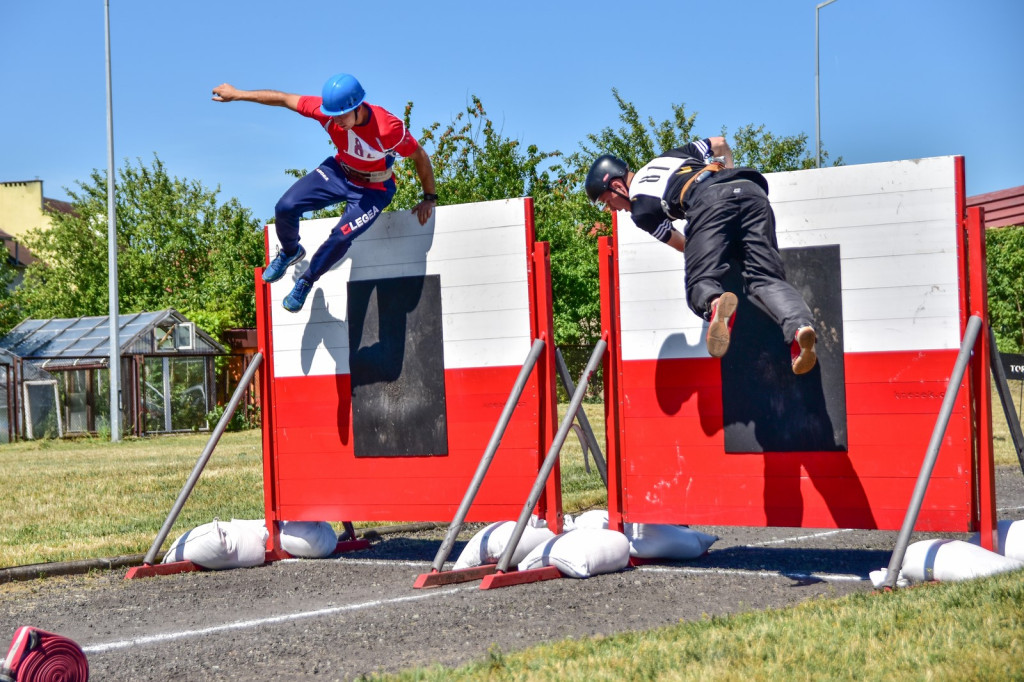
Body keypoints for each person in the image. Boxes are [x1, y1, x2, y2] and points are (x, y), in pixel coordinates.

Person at [586, 137, 818, 374]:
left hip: (708, 202)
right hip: (751, 190)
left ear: (616, 186)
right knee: (766, 278)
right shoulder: (669, 156)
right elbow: (720, 142)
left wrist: (715, 249)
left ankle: (716, 304)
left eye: (607, 201)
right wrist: (728, 172)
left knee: (699, 281)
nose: (612, 209)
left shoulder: (641, 210)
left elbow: (684, 245)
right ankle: (801, 328)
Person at [212, 73, 438, 312]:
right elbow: (283, 99)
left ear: (358, 106)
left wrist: (429, 197)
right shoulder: (325, 112)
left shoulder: (387, 128)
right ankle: (291, 252)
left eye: (342, 115)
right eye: (333, 115)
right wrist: (238, 94)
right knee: (285, 207)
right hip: (340, 172)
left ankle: (306, 281)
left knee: (341, 235)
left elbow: (419, 155)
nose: (337, 121)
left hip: (374, 188)